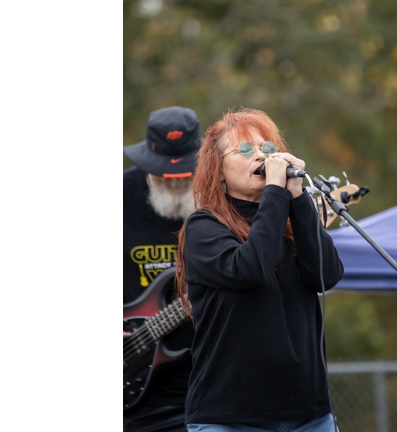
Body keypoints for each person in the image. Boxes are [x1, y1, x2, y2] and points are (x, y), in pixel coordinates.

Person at [175, 107, 345, 432]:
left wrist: (297, 198)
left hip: (309, 415)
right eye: (243, 149)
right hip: (230, 418)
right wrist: (276, 194)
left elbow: (327, 274)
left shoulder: (290, 217)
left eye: (266, 148)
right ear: (219, 169)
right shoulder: (205, 227)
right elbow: (251, 268)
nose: (259, 156)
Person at [123, 106, 202, 432]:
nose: (177, 182)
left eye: (186, 173)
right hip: (133, 389)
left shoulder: (220, 197)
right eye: (166, 174)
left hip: (203, 386)